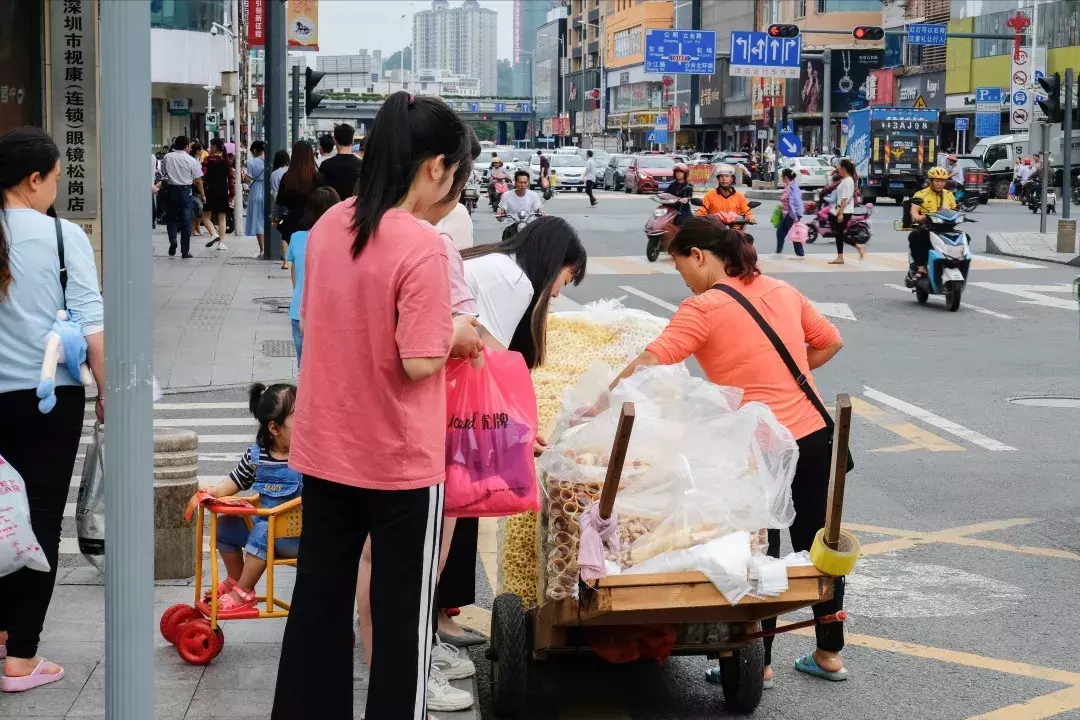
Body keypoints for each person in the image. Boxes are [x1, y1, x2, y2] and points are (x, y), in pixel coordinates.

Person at [271, 91, 483, 719]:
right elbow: (419, 358)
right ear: (435, 166)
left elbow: (318, 322)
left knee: (318, 608)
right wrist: (460, 334)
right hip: (398, 464)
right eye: (456, 176)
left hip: (327, 449)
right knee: (400, 627)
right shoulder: (422, 243)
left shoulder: (331, 223)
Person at [608, 215, 846, 689]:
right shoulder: (779, 289)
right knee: (819, 541)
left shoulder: (703, 309)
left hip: (759, 445)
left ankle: (762, 661)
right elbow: (830, 341)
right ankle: (828, 653)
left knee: (761, 550)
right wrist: (791, 376)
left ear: (699, 257)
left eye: (681, 269)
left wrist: (600, 403)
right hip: (814, 431)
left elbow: (652, 360)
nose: (685, 281)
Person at [0, 127, 105, 693]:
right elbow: (92, 322)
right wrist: (110, 393)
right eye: (56, 178)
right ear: (33, 179)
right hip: (48, 402)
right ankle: (21, 658)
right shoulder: (64, 238)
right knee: (36, 522)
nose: (55, 189)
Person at [186, 383, 301, 615]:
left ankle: (243, 592)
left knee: (262, 530)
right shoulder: (256, 455)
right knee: (224, 527)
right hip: (265, 529)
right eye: (299, 417)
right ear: (274, 428)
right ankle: (235, 579)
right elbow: (235, 481)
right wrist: (214, 492)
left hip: (296, 536)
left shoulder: (308, 456)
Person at [461, 215, 587, 362]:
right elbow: (489, 362)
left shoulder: (499, 259)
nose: (557, 294)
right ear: (553, 263)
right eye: (565, 282)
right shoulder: (515, 281)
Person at [285, 186, 340, 365]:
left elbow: (295, 275)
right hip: (331, 313)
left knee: (305, 369)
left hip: (298, 309)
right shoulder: (343, 242)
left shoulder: (296, 237)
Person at [274, 140, 325, 270]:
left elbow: (280, 202)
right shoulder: (318, 178)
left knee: (297, 262)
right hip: (313, 223)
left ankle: (297, 289)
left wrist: (275, 220)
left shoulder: (287, 177)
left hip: (293, 222)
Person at [907, 166, 957, 281]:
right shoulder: (921, 194)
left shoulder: (949, 195)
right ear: (931, 181)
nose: (940, 184)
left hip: (946, 228)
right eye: (937, 181)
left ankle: (957, 261)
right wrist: (920, 217)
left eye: (943, 181)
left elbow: (955, 210)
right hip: (928, 228)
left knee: (965, 237)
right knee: (915, 236)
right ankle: (920, 268)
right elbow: (914, 212)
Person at [161, 135, 205, 258]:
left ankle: (173, 241)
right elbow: (198, 180)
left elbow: (164, 173)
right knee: (186, 221)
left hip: (172, 190)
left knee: (171, 219)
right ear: (187, 146)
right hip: (186, 191)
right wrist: (202, 195)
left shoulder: (167, 157)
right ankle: (185, 251)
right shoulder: (191, 160)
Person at [828, 158, 864, 265]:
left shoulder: (848, 181)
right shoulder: (846, 180)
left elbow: (844, 199)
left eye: (839, 167)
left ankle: (857, 247)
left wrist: (840, 213)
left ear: (843, 168)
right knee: (838, 234)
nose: (838, 169)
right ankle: (840, 257)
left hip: (844, 210)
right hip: (840, 209)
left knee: (839, 234)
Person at [202, 138, 234, 251]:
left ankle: (213, 233)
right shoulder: (227, 162)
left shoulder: (207, 160)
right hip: (223, 191)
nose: (210, 148)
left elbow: (203, 175)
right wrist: (232, 195)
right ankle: (221, 243)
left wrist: (202, 191)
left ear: (215, 146)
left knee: (205, 217)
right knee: (222, 218)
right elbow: (231, 180)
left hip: (210, 191)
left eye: (211, 146)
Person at [319, 122, 364, 201]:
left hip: (331, 210)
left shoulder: (325, 165)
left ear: (335, 141)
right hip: (354, 210)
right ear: (352, 141)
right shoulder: (362, 165)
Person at [244, 140, 267, 258]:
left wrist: (244, 177)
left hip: (256, 190)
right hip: (268, 190)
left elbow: (248, 179)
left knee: (258, 221)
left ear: (254, 150)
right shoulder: (270, 160)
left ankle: (262, 250)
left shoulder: (252, 162)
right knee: (269, 220)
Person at [776, 168, 805, 258]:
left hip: (792, 214)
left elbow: (793, 202)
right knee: (780, 232)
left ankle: (800, 254)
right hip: (788, 213)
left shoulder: (791, 187)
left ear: (785, 177)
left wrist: (794, 216)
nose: (781, 178)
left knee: (794, 233)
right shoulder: (791, 185)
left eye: (782, 176)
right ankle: (778, 252)